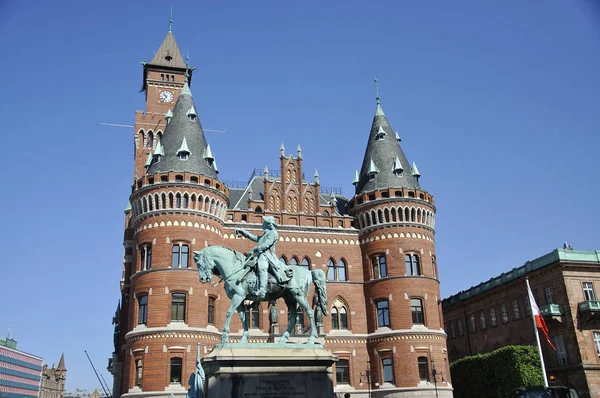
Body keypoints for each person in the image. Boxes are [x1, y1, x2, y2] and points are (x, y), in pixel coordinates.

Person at [235, 216, 292, 298]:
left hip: (267, 256)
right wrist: (244, 232)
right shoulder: (266, 234)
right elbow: (255, 238)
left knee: (262, 268)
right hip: (261, 254)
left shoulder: (273, 233)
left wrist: (255, 249)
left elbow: (266, 244)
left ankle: (262, 290)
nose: (263, 224)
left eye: (265, 222)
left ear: (269, 224)